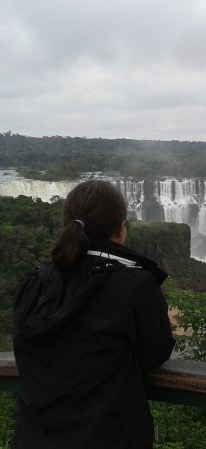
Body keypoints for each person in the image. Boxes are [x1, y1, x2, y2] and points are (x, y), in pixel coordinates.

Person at [12, 180, 175, 449]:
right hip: (109, 436)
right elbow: (155, 353)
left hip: (34, 439)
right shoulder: (135, 285)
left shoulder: (35, 283)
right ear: (122, 228)